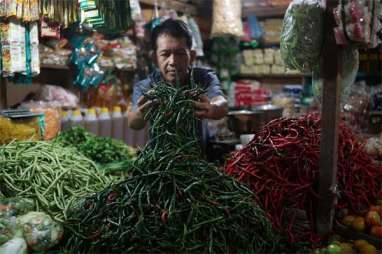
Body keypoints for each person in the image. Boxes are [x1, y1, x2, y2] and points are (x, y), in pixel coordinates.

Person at [127, 18, 228, 146]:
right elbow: (133, 123)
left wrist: (214, 108)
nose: (173, 61)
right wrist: (140, 114)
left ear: (191, 56)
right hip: (160, 160)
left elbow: (221, 103)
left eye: (180, 53)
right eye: (165, 54)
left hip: (197, 159)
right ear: (154, 58)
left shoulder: (203, 78)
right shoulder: (147, 85)